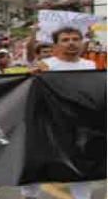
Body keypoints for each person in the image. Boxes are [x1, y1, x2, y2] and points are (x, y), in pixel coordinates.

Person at [23, 27, 96, 199]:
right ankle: (30, 196)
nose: (71, 43)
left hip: (80, 125)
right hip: (49, 123)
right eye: (65, 39)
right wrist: (32, 76)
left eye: (75, 39)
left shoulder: (90, 65)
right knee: (39, 163)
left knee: (82, 164)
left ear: (82, 42)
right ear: (55, 45)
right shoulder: (45, 65)